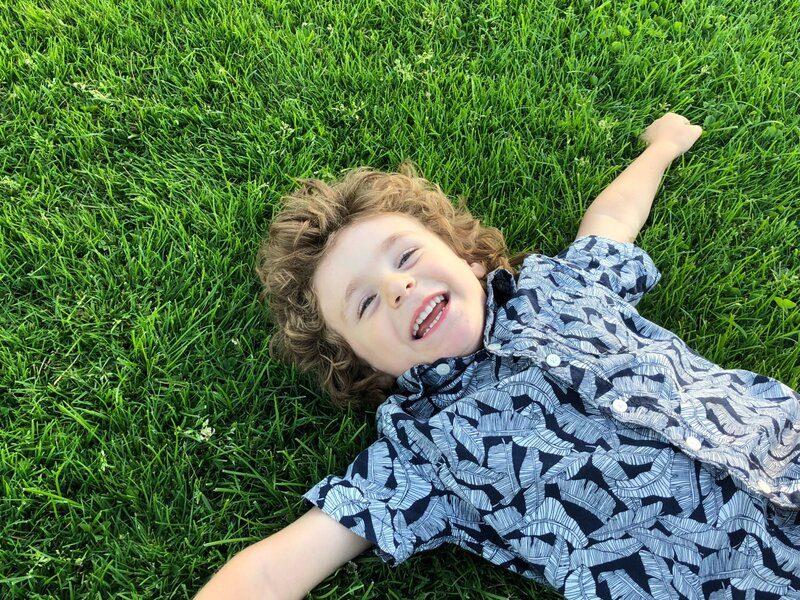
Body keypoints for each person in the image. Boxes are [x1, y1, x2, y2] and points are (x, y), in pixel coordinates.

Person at [196, 113, 800, 599]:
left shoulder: (562, 284)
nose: (397, 288)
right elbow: (277, 570)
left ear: (470, 258)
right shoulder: (420, 452)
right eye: (365, 306)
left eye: (404, 257)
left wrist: (660, 148)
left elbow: (612, 220)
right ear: (364, 365)